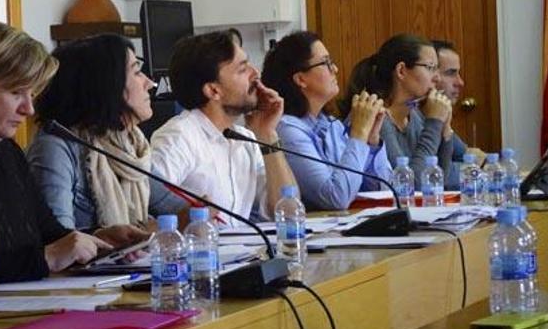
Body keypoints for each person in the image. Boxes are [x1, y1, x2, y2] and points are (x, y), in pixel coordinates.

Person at [0, 21, 140, 285]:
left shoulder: (7, 151)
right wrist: (46, 258)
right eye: (16, 92)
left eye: (32, 93)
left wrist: (98, 238)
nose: (28, 109)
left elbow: (46, 232)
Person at [28, 34, 190, 231]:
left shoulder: (128, 142)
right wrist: (113, 238)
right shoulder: (55, 147)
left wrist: (200, 211)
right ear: (106, 84)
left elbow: (171, 205)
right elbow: (60, 240)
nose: (149, 83)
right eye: (137, 72)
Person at [149, 30, 298, 227]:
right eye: (243, 69)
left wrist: (267, 135)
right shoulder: (179, 136)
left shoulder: (245, 137)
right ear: (213, 90)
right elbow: (149, 202)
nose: (256, 74)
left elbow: (287, 213)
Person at [261, 31, 393, 210]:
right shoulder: (287, 130)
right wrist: (359, 134)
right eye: (326, 63)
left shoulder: (332, 125)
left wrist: (371, 141)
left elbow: (383, 189)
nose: (335, 69)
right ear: (301, 79)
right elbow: (335, 198)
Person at [339, 34, 456, 189]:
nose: (437, 78)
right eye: (430, 68)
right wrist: (434, 124)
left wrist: (445, 130)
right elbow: (410, 186)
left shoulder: (416, 115)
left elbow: (439, 181)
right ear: (401, 70)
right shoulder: (377, 117)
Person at [432, 39, 485, 165]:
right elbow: (439, 175)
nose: (460, 83)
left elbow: (474, 156)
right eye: (450, 73)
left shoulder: (438, 113)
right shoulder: (418, 117)